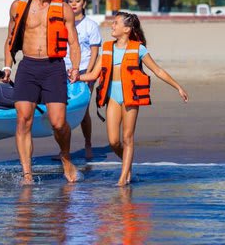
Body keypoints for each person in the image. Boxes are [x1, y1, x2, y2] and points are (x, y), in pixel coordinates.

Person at [79, 11, 188, 186]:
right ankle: (127, 165)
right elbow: (92, 75)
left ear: (127, 29)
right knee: (114, 141)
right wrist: (76, 77)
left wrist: (178, 87)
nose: (112, 26)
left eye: (116, 23)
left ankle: (123, 179)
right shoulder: (106, 47)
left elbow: (157, 70)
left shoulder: (139, 49)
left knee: (127, 138)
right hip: (113, 97)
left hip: (130, 96)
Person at [2, 0, 81, 185]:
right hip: (28, 67)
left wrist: (74, 67)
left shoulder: (63, 8)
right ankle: (27, 173)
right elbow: (10, 40)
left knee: (58, 123)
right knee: (23, 119)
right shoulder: (19, 6)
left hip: (54, 67)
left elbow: (73, 42)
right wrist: (8, 66)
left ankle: (65, 156)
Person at [64, 0, 102, 160]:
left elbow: (94, 52)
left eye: (77, 0)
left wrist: (89, 74)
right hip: (63, 70)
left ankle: (88, 143)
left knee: (83, 110)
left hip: (84, 70)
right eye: (70, 0)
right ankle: (64, 150)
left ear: (84, 3)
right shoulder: (62, 23)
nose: (73, 3)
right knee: (62, 111)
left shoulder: (91, 26)